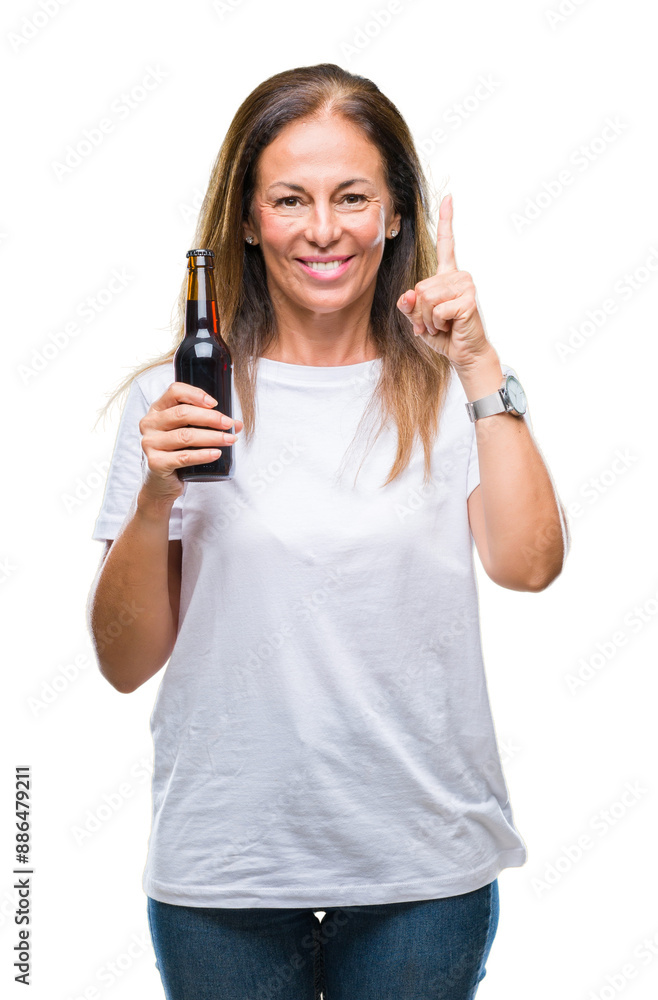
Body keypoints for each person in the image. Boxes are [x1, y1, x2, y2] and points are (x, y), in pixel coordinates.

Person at [87, 63, 569, 1000]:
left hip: (422, 870)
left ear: (395, 215)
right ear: (247, 217)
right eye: (289, 199)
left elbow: (530, 566)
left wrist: (477, 361)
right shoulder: (176, 401)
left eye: (353, 197)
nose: (322, 230)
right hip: (225, 869)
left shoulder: (452, 393)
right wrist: (156, 498)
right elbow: (121, 660)